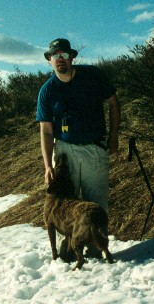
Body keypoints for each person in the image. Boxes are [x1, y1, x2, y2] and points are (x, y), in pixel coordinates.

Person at [36, 38, 120, 260]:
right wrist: (47, 166)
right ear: (49, 60)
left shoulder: (93, 76)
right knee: (66, 204)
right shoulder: (47, 91)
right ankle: (71, 250)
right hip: (64, 151)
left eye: (64, 55)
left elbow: (113, 103)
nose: (60, 59)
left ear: (72, 57)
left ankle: (96, 250)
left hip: (94, 148)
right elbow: (45, 130)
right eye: (56, 56)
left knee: (97, 202)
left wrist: (113, 138)